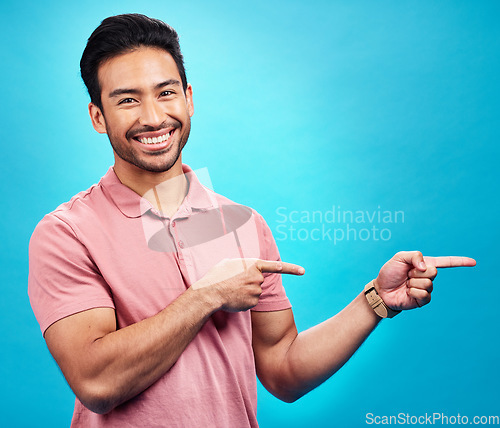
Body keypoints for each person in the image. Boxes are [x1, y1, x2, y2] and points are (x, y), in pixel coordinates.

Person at [28, 13, 476, 427]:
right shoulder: (66, 233)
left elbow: (283, 369)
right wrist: (205, 296)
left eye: (166, 93)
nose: (153, 117)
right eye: (127, 100)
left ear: (188, 99)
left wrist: (374, 300)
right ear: (97, 118)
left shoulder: (239, 223)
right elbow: (97, 384)